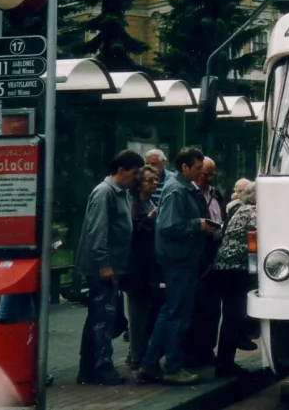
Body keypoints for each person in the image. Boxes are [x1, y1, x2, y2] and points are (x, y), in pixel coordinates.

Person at [137, 147, 212, 386]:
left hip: (181, 259)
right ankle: (172, 367)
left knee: (170, 311)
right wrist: (197, 225)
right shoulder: (177, 190)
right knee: (177, 314)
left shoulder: (181, 188)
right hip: (179, 260)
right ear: (185, 167)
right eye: (198, 167)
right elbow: (168, 225)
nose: (201, 172)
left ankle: (150, 365)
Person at [75, 149, 145, 386]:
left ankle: (89, 366)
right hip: (104, 267)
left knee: (100, 315)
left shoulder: (120, 193)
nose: (135, 178)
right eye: (134, 173)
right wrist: (104, 263)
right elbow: (97, 230)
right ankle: (101, 366)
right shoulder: (105, 192)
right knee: (103, 316)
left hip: (114, 264)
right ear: (121, 170)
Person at [212, 181, 258, 376]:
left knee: (234, 314)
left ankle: (227, 359)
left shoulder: (242, 209)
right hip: (234, 269)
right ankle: (225, 363)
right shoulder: (251, 211)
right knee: (233, 315)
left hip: (228, 268)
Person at [185, 157, 227, 368]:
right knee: (197, 306)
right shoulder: (189, 193)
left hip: (214, 254)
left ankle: (207, 350)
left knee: (212, 308)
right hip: (198, 257)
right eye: (205, 174)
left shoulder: (215, 193)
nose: (209, 179)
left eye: (212, 174)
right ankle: (194, 353)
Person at [124, 166, 164, 371]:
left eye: (155, 180)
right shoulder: (135, 204)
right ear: (139, 184)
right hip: (138, 268)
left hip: (149, 267)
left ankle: (137, 353)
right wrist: (148, 219)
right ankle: (137, 356)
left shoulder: (150, 202)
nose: (154, 183)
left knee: (147, 312)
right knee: (138, 315)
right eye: (149, 180)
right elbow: (132, 230)